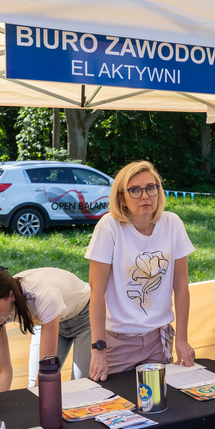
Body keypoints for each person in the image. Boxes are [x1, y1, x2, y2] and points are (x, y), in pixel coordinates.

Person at [85, 160, 195, 382]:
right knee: (116, 405)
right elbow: (97, 292)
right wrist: (98, 349)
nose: (145, 196)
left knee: (158, 404)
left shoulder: (172, 223)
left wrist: (182, 340)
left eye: (151, 188)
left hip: (158, 338)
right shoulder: (110, 226)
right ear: (121, 198)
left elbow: (181, 286)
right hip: (117, 340)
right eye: (134, 190)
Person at [0, 264, 92, 392]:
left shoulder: (43, 295)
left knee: (81, 386)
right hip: (49, 321)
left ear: (11, 296)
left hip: (85, 317)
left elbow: (46, 371)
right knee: (33, 386)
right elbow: (2, 370)